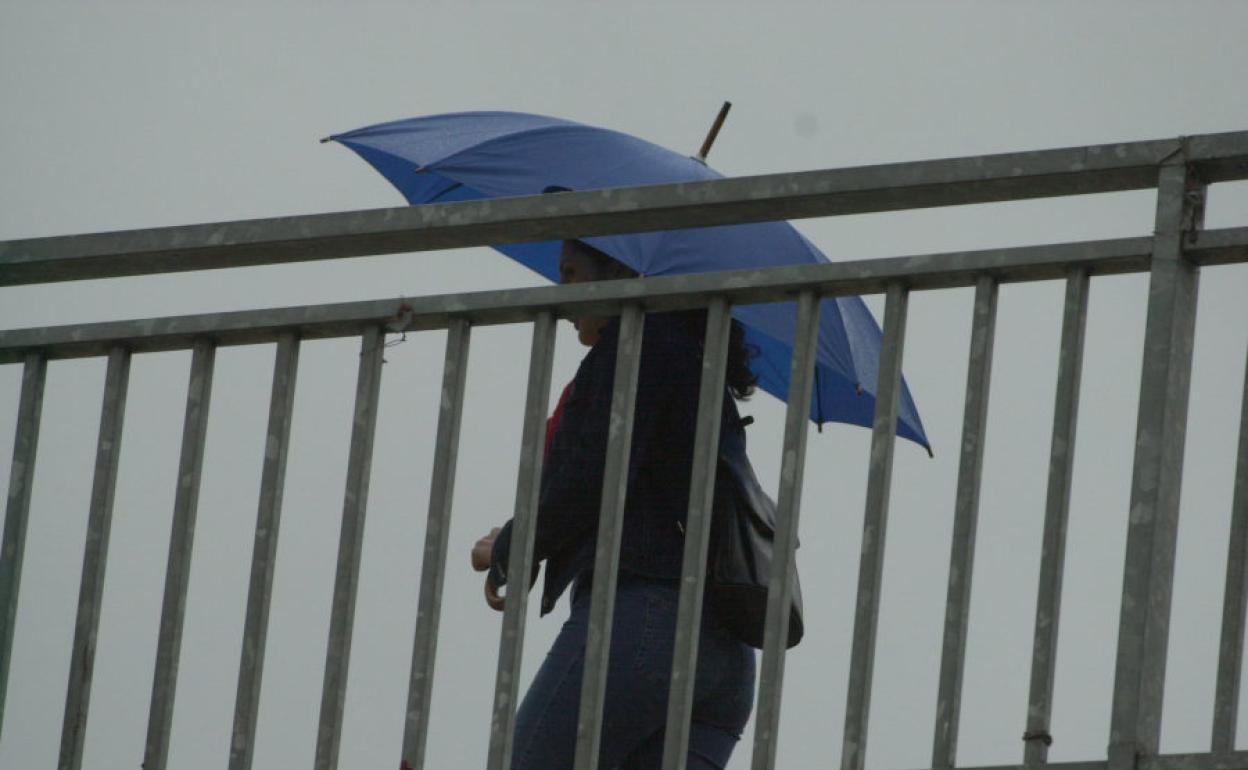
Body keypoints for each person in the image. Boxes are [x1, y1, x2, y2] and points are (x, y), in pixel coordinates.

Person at [470, 239, 760, 769]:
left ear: (622, 272)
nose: (561, 294)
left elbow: (588, 474)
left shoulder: (636, 344)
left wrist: (512, 547)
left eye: (572, 272)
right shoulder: (696, 357)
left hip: (646, 622)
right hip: (726, 657)